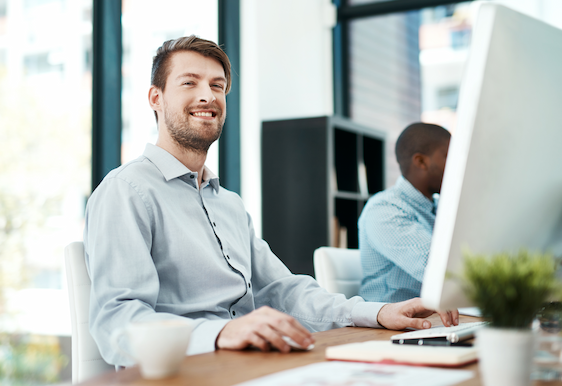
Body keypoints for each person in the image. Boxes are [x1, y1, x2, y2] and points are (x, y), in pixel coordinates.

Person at [83, 36, 458, 367]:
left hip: (249, 364)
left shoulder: (228, 204)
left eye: (218, 85)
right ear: (156, 97)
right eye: (189, 83)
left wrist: (379, 312)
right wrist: (221, 333)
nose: (208, 95)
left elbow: (284, 291)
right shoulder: (126, 191)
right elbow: (118, 322)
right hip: (183, 373)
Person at [358, 123, 451, 303]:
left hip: (432, 319)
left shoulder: (439, 207)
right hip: (388, 326)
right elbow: (442, 273)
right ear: (421, 162)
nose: (457, 167)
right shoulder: (385, 210)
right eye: (449, 157)